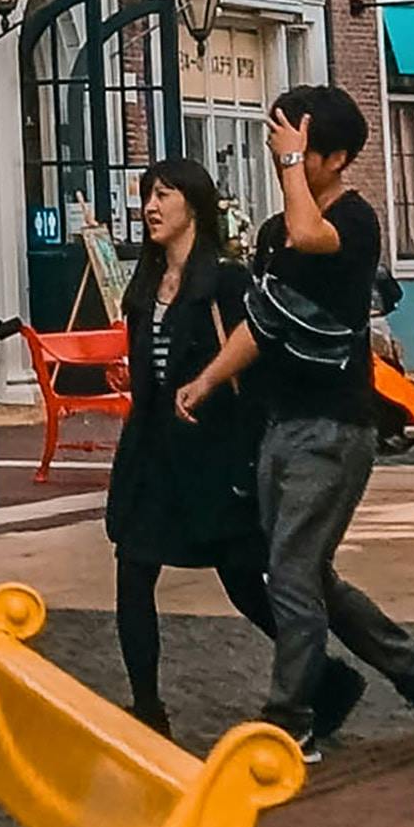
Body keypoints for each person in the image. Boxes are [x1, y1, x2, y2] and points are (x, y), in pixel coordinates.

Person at [196, 85, 414, 761]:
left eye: (300, 148)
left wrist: (287, 167)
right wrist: (209, 378)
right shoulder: (279, 232)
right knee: (312, 577)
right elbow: (265, 320)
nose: (285, 157)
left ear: (335, 158)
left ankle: (290, 719)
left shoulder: (354, 221)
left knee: (289, 573)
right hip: (280, 421)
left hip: (336, 427)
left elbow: (315, 233)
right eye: (280, 144)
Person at [98, 155, 277, 727]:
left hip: (211, 453)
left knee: (245, 583)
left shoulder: (226, 279)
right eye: (148, 195)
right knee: (133, 570)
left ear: (194, 205)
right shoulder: (147, 284)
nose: (151, 206)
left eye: (164, 195)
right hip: (152, 452)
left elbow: (254, 345)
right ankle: (147, 706)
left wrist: (203, 385)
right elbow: (147, 360)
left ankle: (323, 677)